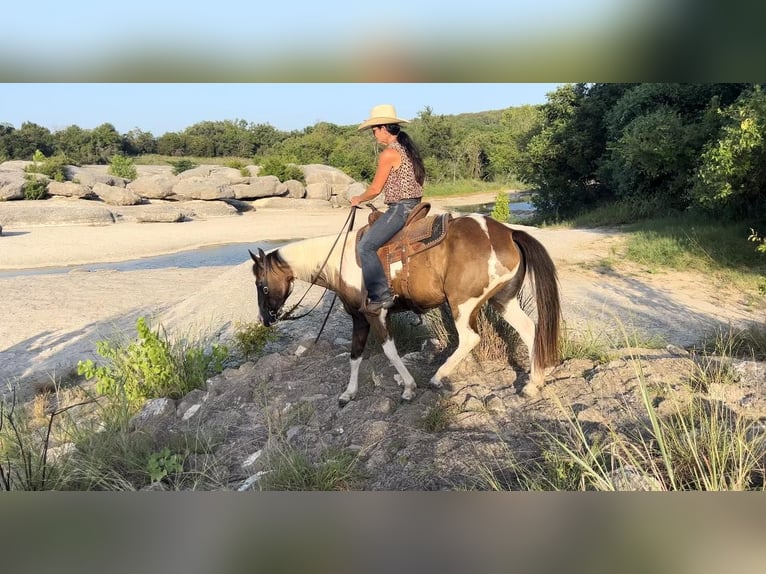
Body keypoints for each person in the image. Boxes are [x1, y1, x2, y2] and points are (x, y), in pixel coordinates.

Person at [351, 104, 426, 313]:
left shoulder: (389, 153)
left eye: (374, 130)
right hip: (414, 205)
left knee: (365, 247)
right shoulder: (406, 149)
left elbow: (375, 189)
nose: (373, 134)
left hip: (401, 208)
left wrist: (358, 198)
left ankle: (381, 295)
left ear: (384, 128)